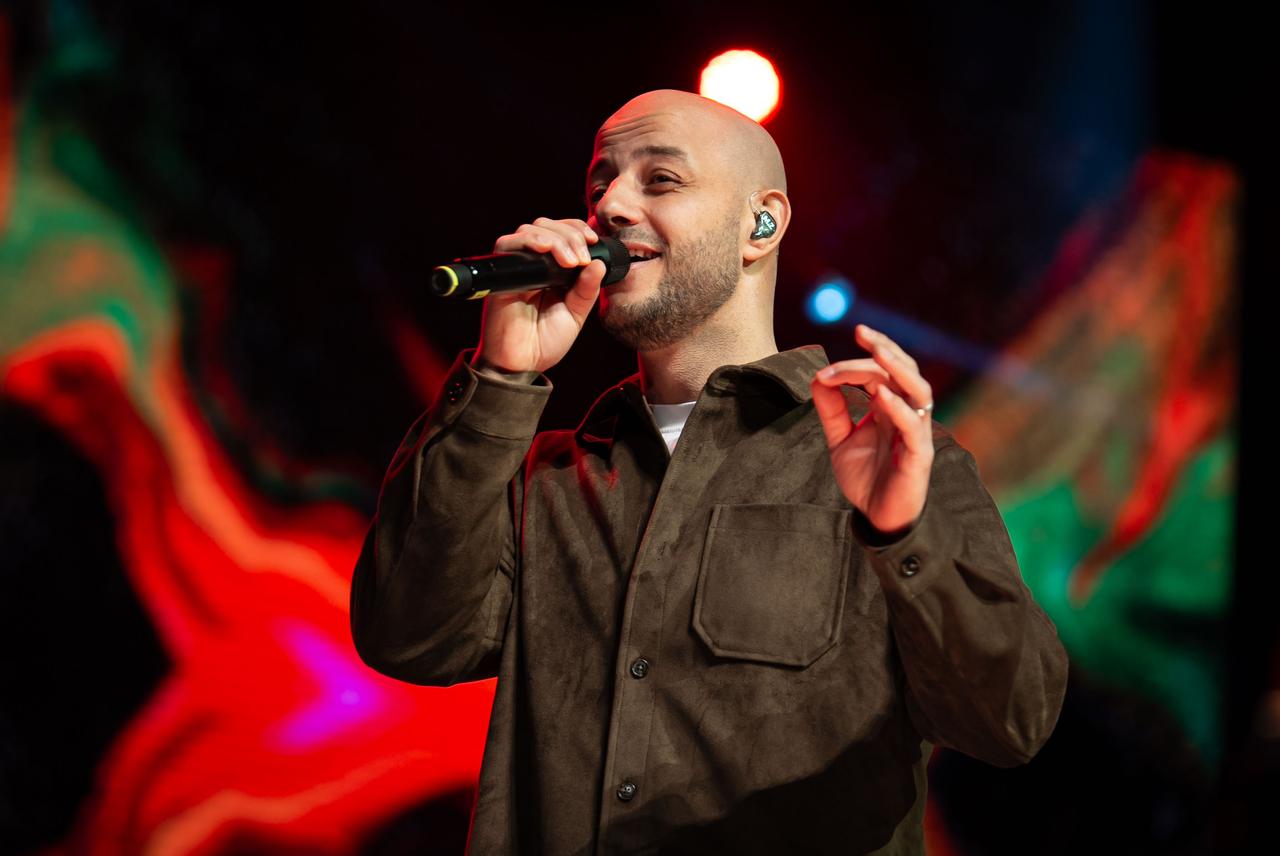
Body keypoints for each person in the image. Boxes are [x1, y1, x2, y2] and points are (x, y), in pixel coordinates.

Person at [349, 89, 1068, 855]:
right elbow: (408, 638)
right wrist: (499, 377)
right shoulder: (544, 477)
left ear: (760, 224)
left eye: (660, 181)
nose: (611, 207)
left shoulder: (883, 456)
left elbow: (1010, 721)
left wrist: (901, 535)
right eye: (601, 185)